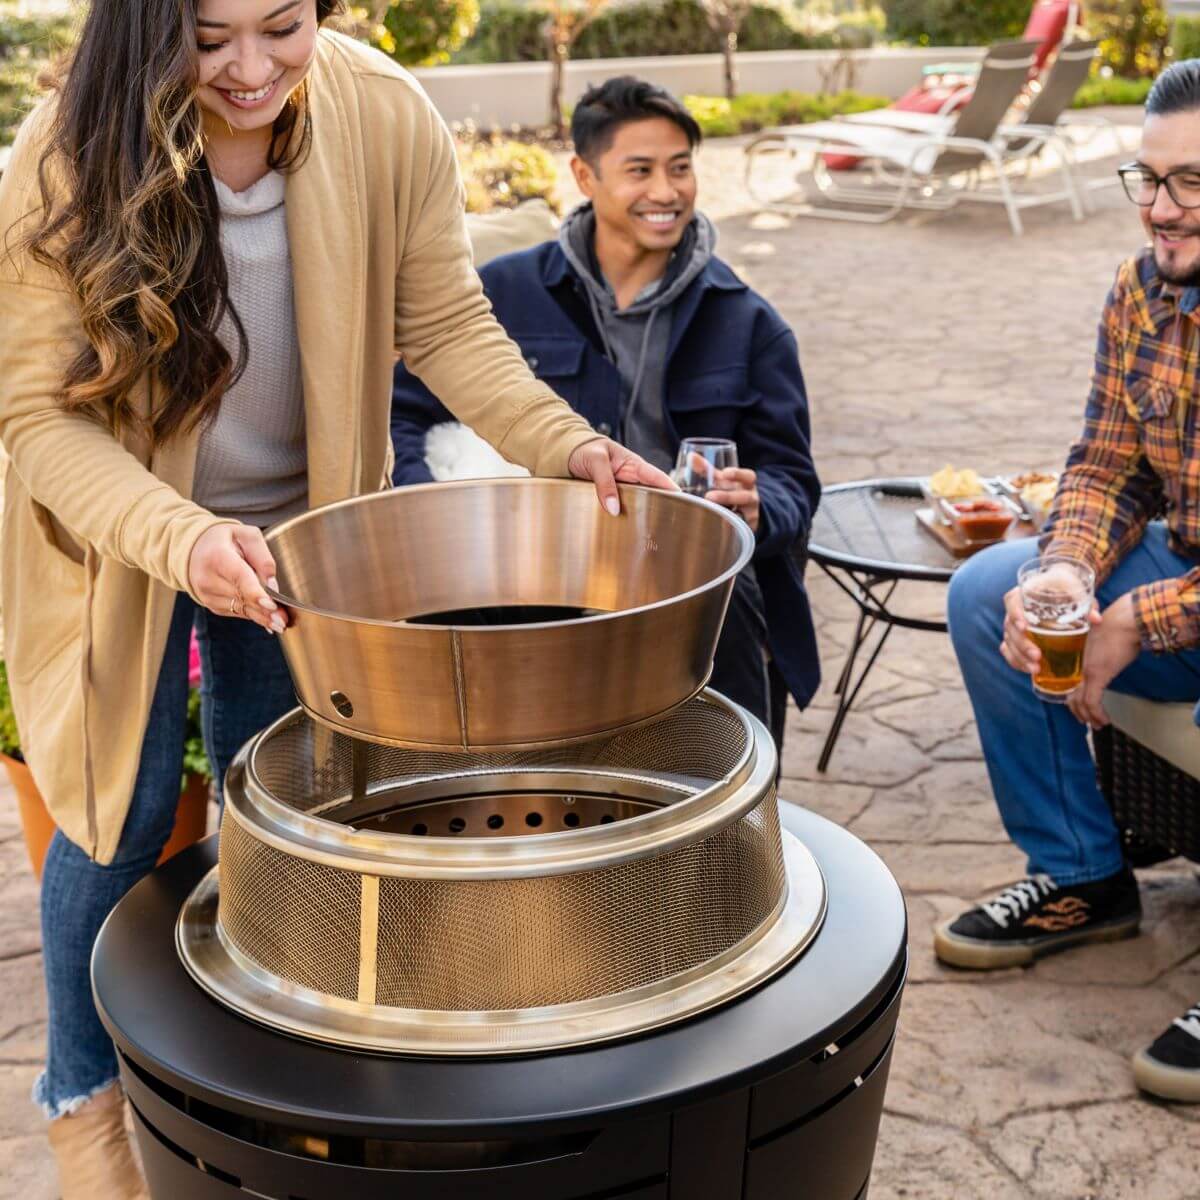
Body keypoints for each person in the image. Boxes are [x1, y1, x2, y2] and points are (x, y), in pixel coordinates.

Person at [0, 5, 672, 1194]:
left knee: (288, 807)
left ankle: (255, 1086)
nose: (251, 70)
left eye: (283, 27)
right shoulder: (66, 147)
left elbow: (445, 323)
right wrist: (180, 536)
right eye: (210, 37)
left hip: (303, 542)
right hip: (124, 537)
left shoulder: (381, 111)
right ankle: (83, 1099)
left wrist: (565, 445)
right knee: (119, 812)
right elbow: (36, 414)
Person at [391, 77, 820, 748]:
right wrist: (439, 519)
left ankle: (728, 796)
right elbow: (402, 415)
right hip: (525, 573)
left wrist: (763, 505)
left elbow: (795, 480)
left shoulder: (751, 324)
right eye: (640, 170)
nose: (666, 191)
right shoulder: (500, 294)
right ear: (585, 176)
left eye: (680, 168)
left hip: (690, 583)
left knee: (725, 621)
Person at [939, 59, 1200, 1104]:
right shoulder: (1142, 290)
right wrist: (1063, 573)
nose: (1161, 208)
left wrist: (1142, 616)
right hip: (1180, 565)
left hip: (1181, 599)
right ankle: (1086, 875)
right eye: (1149, 179)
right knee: (986, 592)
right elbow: (1107, 466)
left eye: (1191, 182)